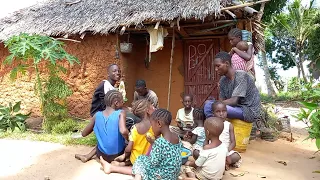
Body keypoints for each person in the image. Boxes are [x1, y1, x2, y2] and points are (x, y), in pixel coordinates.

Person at [99, 109, 182, 180]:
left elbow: (153, 163)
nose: (152, 128)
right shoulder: (177, 137)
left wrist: (152, 146)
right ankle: (111, 168)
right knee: (143, 160)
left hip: (161, 177)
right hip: (173, 175)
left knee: (141, 161)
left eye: (152, 125)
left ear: (159, 124)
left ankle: (136, 178)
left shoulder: (160, 142)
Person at [75, 64, 121, 163]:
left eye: (119, 71)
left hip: (104, 113)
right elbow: (108, 104)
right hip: (100, 114)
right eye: (114, 71)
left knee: (106, 137)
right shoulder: (105, 85)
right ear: (108, 73)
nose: (117, 73)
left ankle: (87, 156)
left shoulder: (112, 86)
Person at [204, 51, 261, 123]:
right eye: (215, 67)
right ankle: (213, 126)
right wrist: (214, 102)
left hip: (248, 111)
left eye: (218, 66)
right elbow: (221, 101)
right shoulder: (223, 80)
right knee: (208, 104)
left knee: (210, 106)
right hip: (236, 108)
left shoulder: (241, 76)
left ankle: (213, 126)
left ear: (227, 64)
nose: (216, 69)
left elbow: (234, 101)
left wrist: (213, 104)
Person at [79, 90, 129, 162]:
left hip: (101, 155)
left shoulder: (97, 115)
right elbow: (123, 131)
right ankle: (123, 161)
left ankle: (87, 156)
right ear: (116, 103)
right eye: (122, 102)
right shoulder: (121, 113)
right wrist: (129, 139)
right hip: (117, 155)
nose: (123, 103)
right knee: (129, 143)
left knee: (103, 141)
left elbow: (84, 134)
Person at [113, 99, 155, 166]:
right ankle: (123, 164)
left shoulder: (134, 128)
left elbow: (129, 148)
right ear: (148, 111)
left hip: (136, 159)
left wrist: (125, 154)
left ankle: (126, 162)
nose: (154, 107)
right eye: (152, 106)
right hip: (151, 160)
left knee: (134, 155)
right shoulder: (156, 127)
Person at [212, 101, 241, 169]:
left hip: (226, 151)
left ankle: (221, 163)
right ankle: (222, 164)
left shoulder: (229, 125)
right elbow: (207, 140)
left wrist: (226, 151)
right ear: (213, 113)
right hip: (213, 151)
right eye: (218, 111)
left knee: (236, 156)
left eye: (224, 111)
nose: (221, 114)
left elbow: (233, 143)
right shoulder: (210, 124)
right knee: (198, 152)